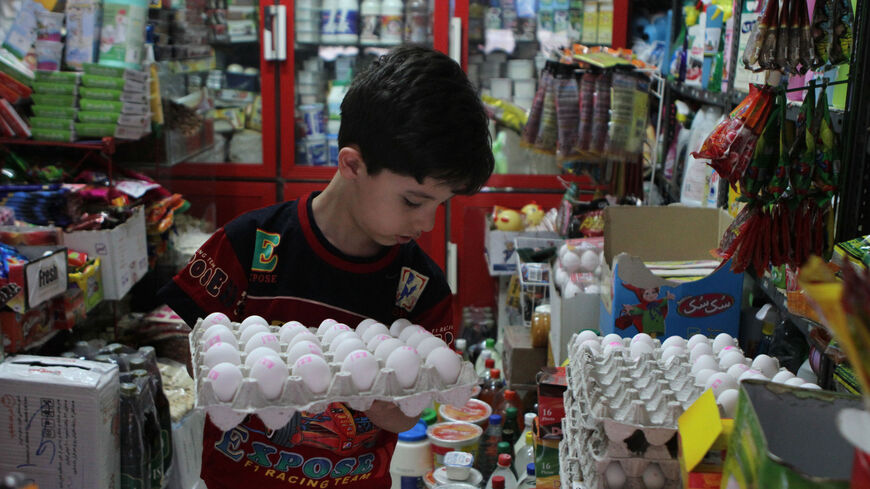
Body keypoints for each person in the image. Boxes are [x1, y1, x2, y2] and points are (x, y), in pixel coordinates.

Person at [158, 46, 494, 489]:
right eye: (413, 201)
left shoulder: (421, 289)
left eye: (441, 204)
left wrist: (361, 384)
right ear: (352, 165)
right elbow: (185, 349)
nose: (426, 223)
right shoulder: (253, 243)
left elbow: (400, 417)